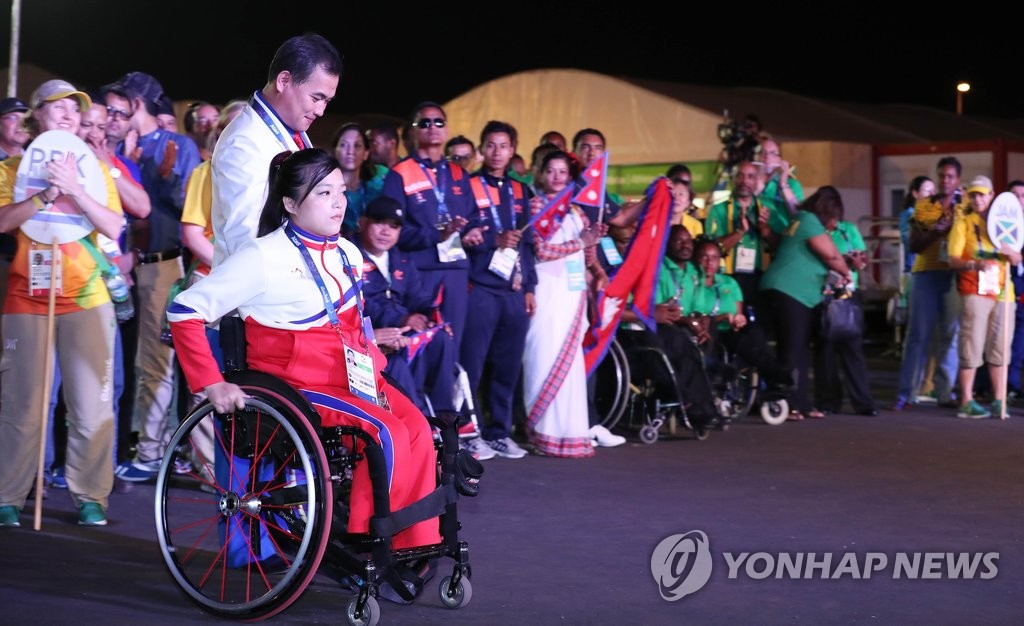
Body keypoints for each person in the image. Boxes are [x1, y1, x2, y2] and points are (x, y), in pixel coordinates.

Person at [168, 148, 440, 550]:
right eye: (323, 193)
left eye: (341, 192)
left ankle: (414, 543)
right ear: (291, 203)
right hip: (295, 382)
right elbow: (184, 310)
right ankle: (372, 539)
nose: (337, 203)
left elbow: (351, 325)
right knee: (386, 432)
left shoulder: (348, 252)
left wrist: (374, 371)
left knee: (418, 428)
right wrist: (210, 383)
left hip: (349, 376)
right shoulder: (262, 257)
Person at [0, 79, 124, 527]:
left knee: (92, 405)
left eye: (76, 108)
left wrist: (75, 187)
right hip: (25, 297)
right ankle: (8, 495)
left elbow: (114, 226)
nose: (70, 114)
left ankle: (91, 494)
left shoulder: (93, 168)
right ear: (37, 116)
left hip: (86, 296)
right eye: (59, 107)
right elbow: (3, 221)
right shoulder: (12, 168)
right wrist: (46, 195)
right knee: (21, 404)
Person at [106, 71, 202, 483]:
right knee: (129, 364)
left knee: (158, 363)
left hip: (162, 263)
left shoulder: (175, 145)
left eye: (119, 108)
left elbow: (190, 206)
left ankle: (152, 451)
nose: (114, 116)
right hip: (120, 266)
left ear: (136, 105)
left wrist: (163, 174)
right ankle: (140, 445)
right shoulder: (113, 146)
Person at [212, 33, 342, 265]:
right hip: (263, 292)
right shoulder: (244, 142)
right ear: (284, 81)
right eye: (316, 98)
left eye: (327, 101)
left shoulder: (293, 130)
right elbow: (247, 242)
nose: (321, 110)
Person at [462, 121, 540, 458]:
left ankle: (499, 432)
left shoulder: (522, 192)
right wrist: (492, 240)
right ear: (482, 149)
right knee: (472, 365)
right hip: (479, 288)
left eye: (503, 146)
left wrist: (530, 288)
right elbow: (459, 237)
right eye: (490, 146)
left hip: (513, 290)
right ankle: (468, 433)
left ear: (512, 150)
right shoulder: (466, 186)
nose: (496, 152)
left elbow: (528, 246)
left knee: (508, 367)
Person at [522, 150, 604, 457]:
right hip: (547, 290)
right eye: (551, 171)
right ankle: (541, 432)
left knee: (570, 365)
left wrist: (592, 241)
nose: (557, 177)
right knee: (542, 357)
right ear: (542, 174)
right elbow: (541, 251)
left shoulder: (578, 212)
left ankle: (570, 434)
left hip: (572, 295)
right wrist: (580, 243)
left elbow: (586, 256)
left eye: (563, 172)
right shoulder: (538, 205)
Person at [381, 102, 479, 354]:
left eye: (439, 122)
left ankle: (448, 394)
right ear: (413, 132)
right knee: (420, 343)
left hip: (456, 270)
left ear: (446, 130)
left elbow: (475, 217)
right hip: (420, 270)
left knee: (453, 342)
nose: (432, 127)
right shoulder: (399, 173)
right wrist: (438, 234)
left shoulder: (458, 173)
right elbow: (392, 230)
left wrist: (473, 232)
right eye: (424, 123)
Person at [759, 186, 852, 421]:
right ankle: (787, 403)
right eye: (834, 218)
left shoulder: (800, 219)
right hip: (790, 292)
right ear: (828, 211)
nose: (834, 224)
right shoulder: (809, 221)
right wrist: (846, 272)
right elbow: (831, 255)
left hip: (786, 291)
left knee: (796, 349)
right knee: (792, 349)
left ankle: (798, 402)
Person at [891, 157, 966, 411]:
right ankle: (906, 393)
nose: (945, 180)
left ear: (958, 180)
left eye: (950, 176)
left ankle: (945, 393)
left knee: (950, 334)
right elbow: (913, 245)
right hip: (925, 273)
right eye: (942, 176)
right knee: (917, 335)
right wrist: (936, 231)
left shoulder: (965, 207)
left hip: (954, 275)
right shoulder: (924, 206)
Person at [947, 175, 1020, 419]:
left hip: (1003, 293)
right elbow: (952, 259)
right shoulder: (963, 223)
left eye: (983, 194)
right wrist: (975, 265)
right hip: (974, 290)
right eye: (974, 194)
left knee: (1000, 349)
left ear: (991, 196)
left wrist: (1013, 255)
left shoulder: (1006, 222)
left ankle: (999, 400)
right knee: (972, 344)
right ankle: (966, 400)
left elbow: (1018, 258)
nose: (978, 199)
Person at [813, 218, 878, 416]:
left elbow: (862, 261)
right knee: (825, 350)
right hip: (823, 293)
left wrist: (856, 261)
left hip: (848, 293)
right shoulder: (815, 231)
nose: (832, 220)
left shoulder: (848, 230)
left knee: (853, 348)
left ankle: (863, 402)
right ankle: (828, 401)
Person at [705, 160, 776, 305]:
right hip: (729, 278)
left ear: (757, 181)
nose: (745, 181)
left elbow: (780, 248)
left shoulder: (767, 210)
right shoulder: (718, 210)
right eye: (740, 176)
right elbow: (712, 248)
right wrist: (739, 232)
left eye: (750, 176)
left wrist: (765, 230)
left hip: (760, 277)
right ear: (732, 178)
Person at [333, 121, 385, 237]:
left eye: (357, 146)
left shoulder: (377, 190)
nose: (350, 152)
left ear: (366, 153)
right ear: (335, 151)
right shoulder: (325, 191)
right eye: (343, 145)